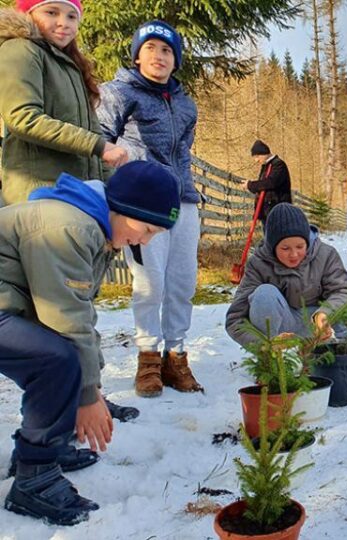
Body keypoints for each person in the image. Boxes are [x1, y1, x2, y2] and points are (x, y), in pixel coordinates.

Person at [0, 161, 180, 525]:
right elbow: (63, 321)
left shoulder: (89, 226)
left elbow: (80, 316)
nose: (143, 242)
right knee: (57, 359)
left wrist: (91, 387)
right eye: (145, 229)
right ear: (124, 208)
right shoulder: (68, 227)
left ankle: (44, 445)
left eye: (153, 235)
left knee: (65, 359)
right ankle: (35, 478)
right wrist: (86, 395)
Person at [97, 20, 203, 399]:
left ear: (176, 60)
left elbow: (184, 150)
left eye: (167, 51)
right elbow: (101, 140)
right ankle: (148, 358)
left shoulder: (186, 103)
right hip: (142, 204)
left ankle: (176, 355)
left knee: (182, 282)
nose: (159, 57)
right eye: (151, 49)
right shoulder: (119, 92)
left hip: (184, 199)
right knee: (149, 282)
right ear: (137, 54)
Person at [0, 0, 128, 205]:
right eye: (51, 12)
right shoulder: (21, 49)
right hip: (37, 195)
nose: (63, 23)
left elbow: (95, 134)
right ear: (28, 13)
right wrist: (98, 146)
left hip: (75, 194)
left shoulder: (72, 67)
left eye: (72, 16)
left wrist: (115, 193)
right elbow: (23, 118)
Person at [225, 203, 347, 347]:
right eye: (285, 248)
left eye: (300, 247)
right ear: (272, 247)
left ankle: (332, 353)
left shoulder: (326, 254)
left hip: (317, 323)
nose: (294, 254)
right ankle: (277, 359)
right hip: (283, 326)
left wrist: (324, 314)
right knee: (264, 295)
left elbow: (342, 291)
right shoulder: (258, 264)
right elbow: (235, 319)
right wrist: (264, 346)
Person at [247, 140, 292, 224]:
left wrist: (251, 185)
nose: (256, 160)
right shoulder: (266, 166)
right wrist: (257, 214)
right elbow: (262, 190)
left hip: (277, 213)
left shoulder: (278, 165)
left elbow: (270, 183)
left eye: (257, 156)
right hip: (267, 213)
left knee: (275, 236)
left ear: (264, 153)